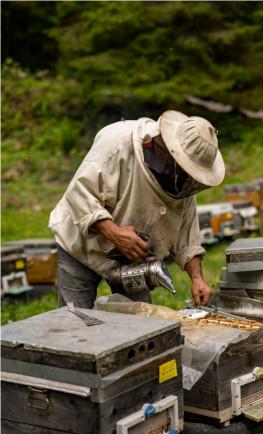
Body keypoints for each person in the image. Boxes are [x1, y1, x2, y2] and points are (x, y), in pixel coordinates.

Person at [49, 110, 224, 308]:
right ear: (164, 150)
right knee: (75, 321)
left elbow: (187, 234)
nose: (185, 178)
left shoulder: (182, 181)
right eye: (183, 171)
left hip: (133, 261)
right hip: (81, 245)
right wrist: (114, 233)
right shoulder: (116, 143)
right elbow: (79, 194)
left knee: (140, 324)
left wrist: (197, 278)